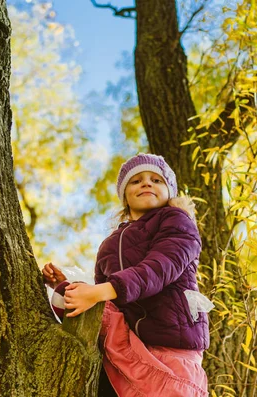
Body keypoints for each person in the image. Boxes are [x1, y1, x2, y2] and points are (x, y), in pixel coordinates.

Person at [42, 153, 213, 397]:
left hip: (171, 344)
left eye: (156, 180)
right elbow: (104, 305)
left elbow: (160, 267)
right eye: (136, 181)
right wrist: (67, 287)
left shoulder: (177, 221)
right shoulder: (108, 246)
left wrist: (99, 291)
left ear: (169, 192)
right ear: (124, 195)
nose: (146, 183)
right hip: (126, 345)